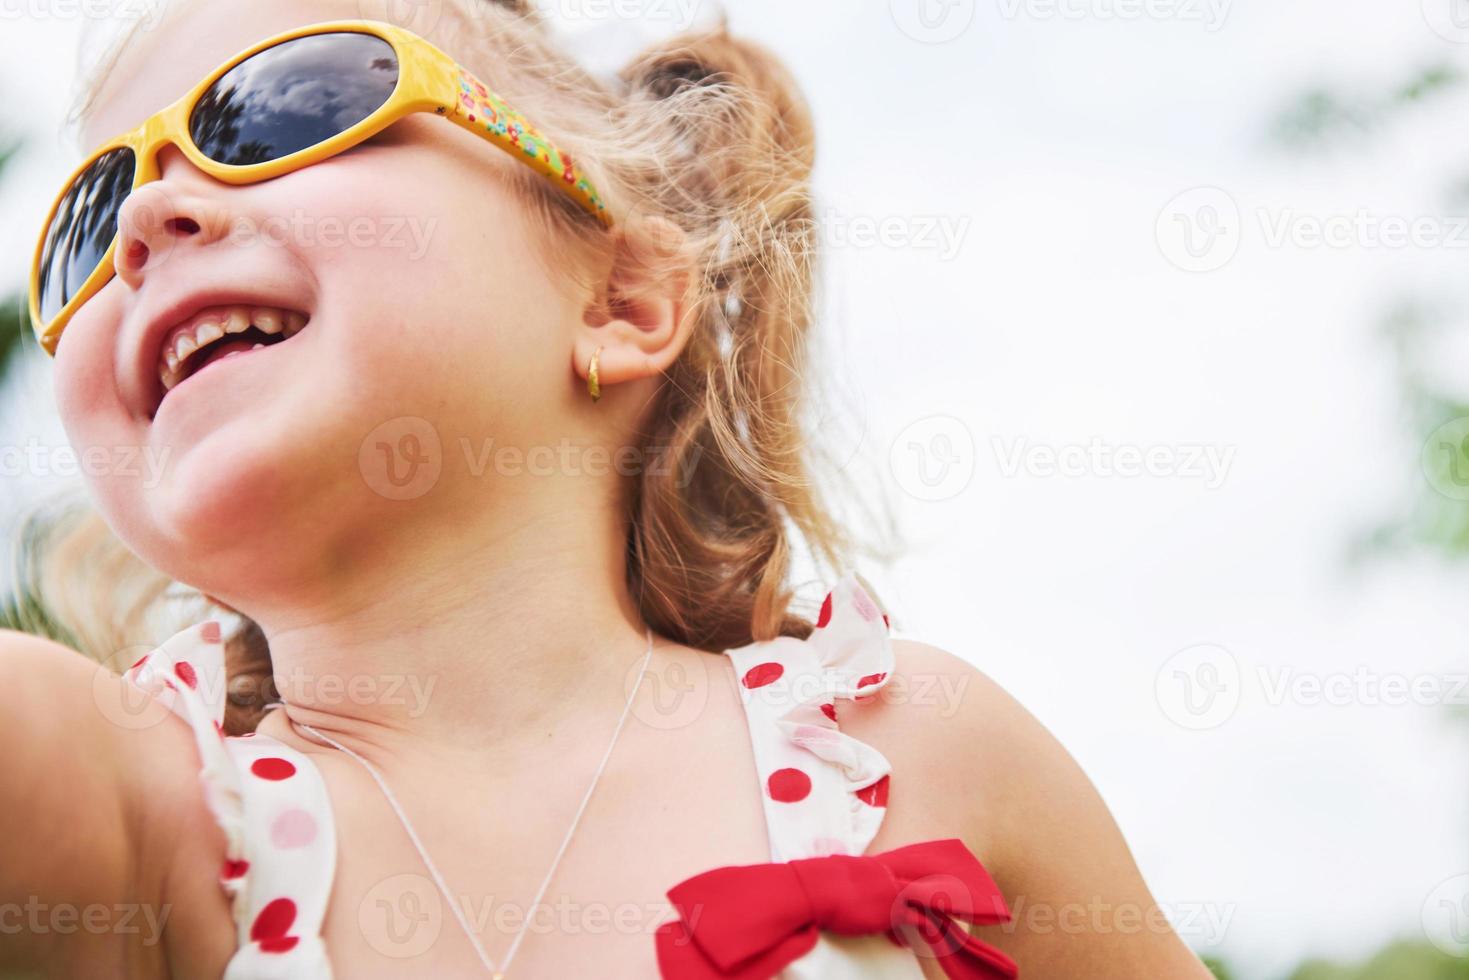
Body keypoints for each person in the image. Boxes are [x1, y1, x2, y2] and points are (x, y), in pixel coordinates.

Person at [1, 1, 1215, 976]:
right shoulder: (136, 824)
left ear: (620, 301)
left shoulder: (914, 754)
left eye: (285, 108)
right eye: (89, 212)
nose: (146, 221)